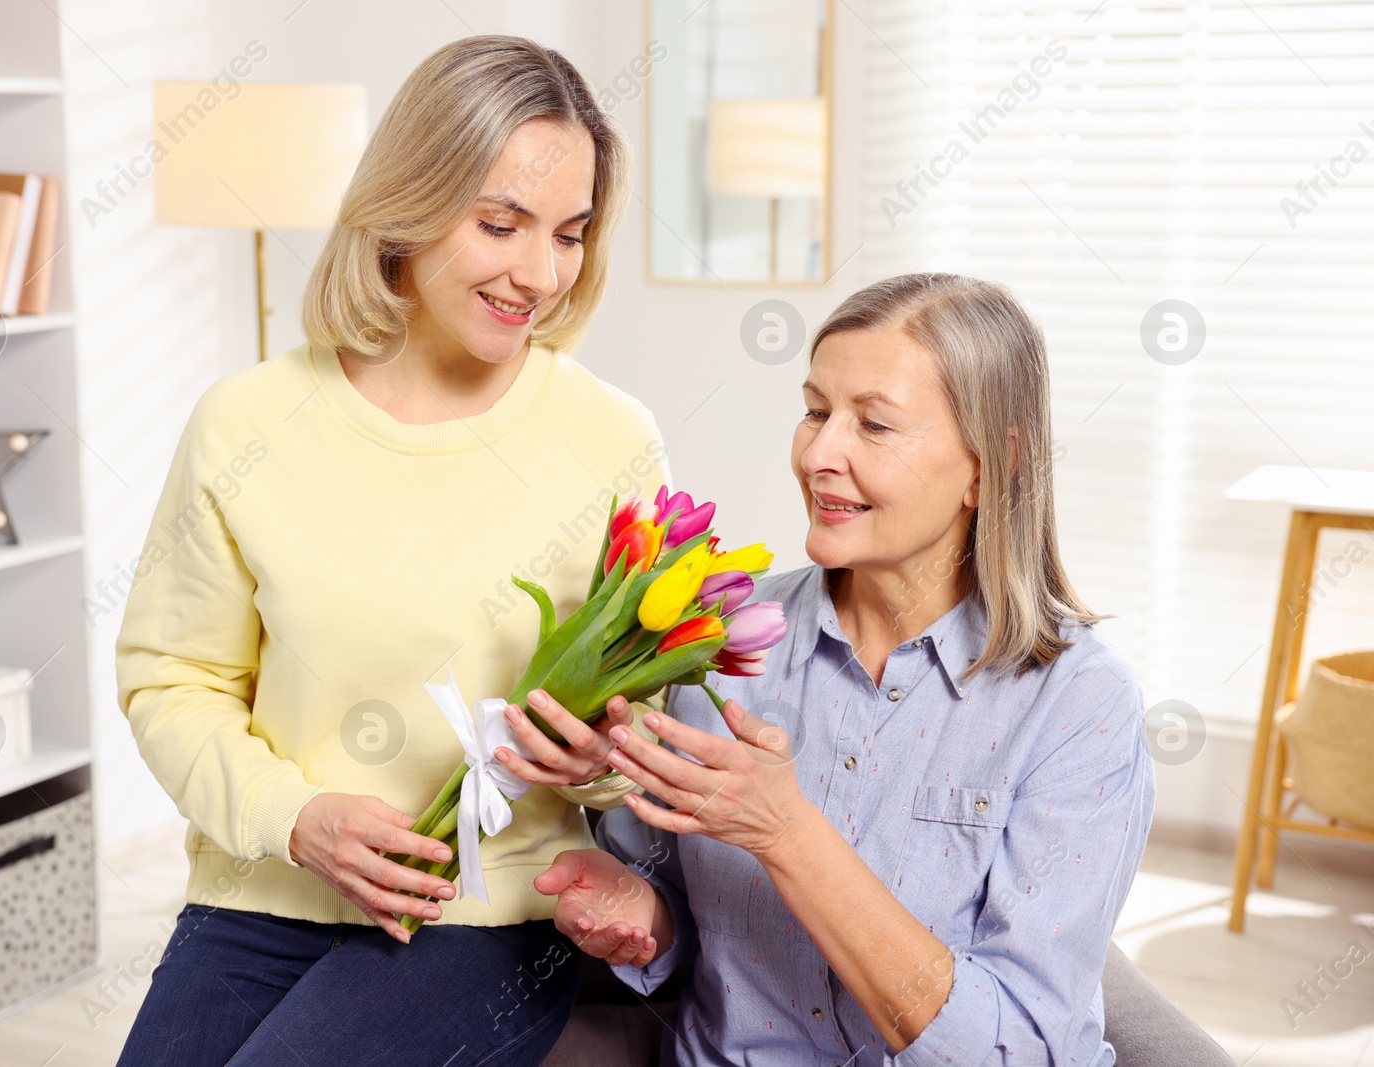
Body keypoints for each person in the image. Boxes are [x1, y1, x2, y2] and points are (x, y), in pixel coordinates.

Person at [114, 35, 665, 1067]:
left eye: (569, 234)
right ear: (406, 203)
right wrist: (300, 816)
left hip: (492, 919)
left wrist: (601, 762)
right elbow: (172, 676)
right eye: (500, 223)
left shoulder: (610, 439)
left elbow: (646, 714)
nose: (538, 273)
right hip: (266, 886)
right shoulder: (246, 422)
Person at [535, 273, 1156, 1065]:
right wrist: (637, 911)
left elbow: (1015, 1049)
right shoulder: (720, 644)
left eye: (874, 424)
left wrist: (786, 833)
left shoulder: (1078, 705)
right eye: (816, 410)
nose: (819, 454)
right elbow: (677, 908)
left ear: (987, 465)